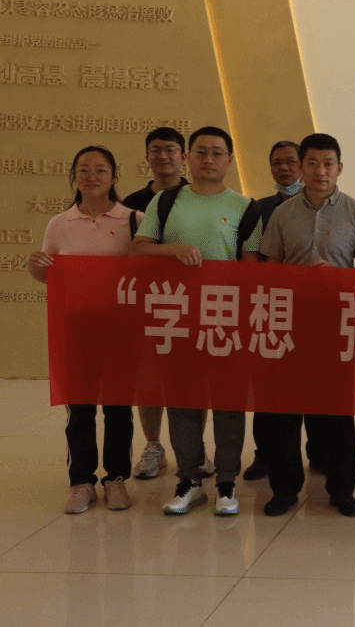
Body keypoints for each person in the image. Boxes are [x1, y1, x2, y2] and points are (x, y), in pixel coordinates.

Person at [130, 126, 263, 516]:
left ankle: (226, 482)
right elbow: (139, 249)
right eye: (201, 152)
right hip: (176, 317)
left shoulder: (246, 208)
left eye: (217, 153)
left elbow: (252, 270)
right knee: (182, 400)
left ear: (229, 160)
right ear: (187, 157)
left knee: (227, 403)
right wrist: (173, 250)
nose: (209, 159)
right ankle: (189, 479)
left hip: (225, 321)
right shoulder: (167, 200)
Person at [257, 132, 355, 518]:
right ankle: (284, 489)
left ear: (339, 168)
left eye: (328, 163)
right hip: (290, 324)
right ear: (301, 167)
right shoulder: (282, 214)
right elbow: (270, 268)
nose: (320, 171)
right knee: (284, 411)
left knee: (337, 412)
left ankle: (342, 490)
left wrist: (347, 277)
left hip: (336, 326)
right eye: (312, 163)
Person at [29, 145, 142, 513]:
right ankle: (81, 481)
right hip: (76, 327)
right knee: (79, 409)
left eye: (100, 170)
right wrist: (36, 266)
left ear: (114, 175)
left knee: (118, 407)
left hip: (121, 329)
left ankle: (116, 478)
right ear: (74, 175)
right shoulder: (60, 223)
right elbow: (50, 275)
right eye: (84, 169)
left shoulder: (134, 220)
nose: (92, 176)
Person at [121, 126, 188, 482]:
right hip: (145, 301)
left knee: (189, 376)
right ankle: (153, 446)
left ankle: (191, 448)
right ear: (147, 156)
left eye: (170, 149)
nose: (163, 156)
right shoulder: (130, 204)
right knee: (147, 376)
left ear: (183, 156)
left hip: (189, 301)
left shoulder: (199, 197)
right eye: (156, 150)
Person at [243, 140, 304, 482]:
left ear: (303, 166)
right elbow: (251, 255)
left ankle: (318, 452)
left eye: (290, 161)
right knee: (267, 388)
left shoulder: (316, 205)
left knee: (312, 386)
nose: (284, 168)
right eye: (277, 162)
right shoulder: (259, 208)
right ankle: (264, 454)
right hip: (269, 308)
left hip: (310, 310)